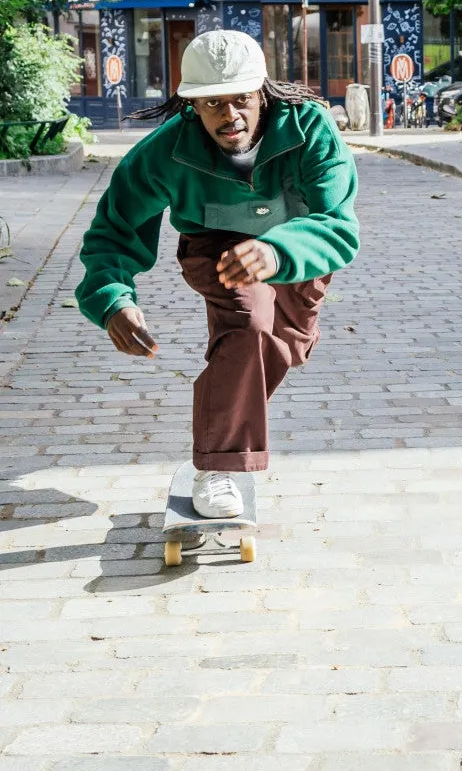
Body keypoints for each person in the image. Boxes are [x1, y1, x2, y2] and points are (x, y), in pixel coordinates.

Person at [76, 30, 359, 518]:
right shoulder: (163, 153)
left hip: (296, 250)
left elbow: (339, 225)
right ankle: (219, 466)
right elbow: (112, 231)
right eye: (212, 104)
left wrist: (275, 252)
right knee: (247, 330)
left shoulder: (310, 127)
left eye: (241, 100)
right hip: (217, 249)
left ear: (262, 92)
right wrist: (112, 299)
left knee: (283, 346)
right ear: (191, 105)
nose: (229, 117)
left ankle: (225, 425)